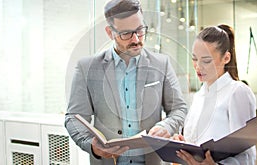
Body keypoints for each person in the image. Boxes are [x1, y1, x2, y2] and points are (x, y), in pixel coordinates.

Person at [64, 0, 187, 164]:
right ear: (110, 32)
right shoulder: (87, 68)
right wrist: (91, 145)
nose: (136, 39)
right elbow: (73, 117)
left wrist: (167, 126)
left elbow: (179, 108)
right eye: (126, 33)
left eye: (140, 30)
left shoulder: (162, 64)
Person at [174, 24, 257, 165]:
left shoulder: (237, 92)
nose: (198, 66)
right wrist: (182, 146)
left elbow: (248, 157)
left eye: (206, 60)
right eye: (194, 59)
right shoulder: (199, 95)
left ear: (226, 58)